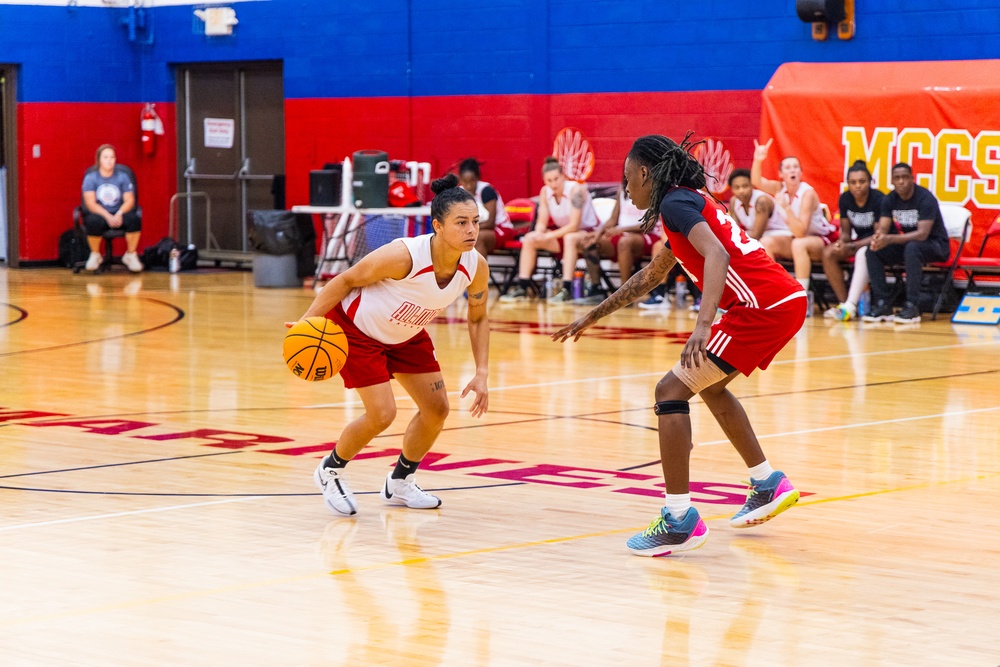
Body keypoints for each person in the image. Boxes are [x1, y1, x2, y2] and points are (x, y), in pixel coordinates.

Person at [553, 134, 804, 557]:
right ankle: (766, 482)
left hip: (761, 306)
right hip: (781, 300)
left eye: (628, 177)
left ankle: (679, 519)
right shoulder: (684, 204)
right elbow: (650, 276)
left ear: (646, 172)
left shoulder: (675, 203)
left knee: (669, 392)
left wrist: (703, 325)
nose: (626, 186)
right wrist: (593, 315)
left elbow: (719, 256)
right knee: (709, 386)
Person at [292, 173, 490, 516]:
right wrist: (307, 320)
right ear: (438, 226)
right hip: (358, 331)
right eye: (461, 222)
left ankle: (399, 482)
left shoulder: (475, 266)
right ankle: (330, 470)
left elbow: (477, 317)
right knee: (383, 414)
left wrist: (482, 370)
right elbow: (345, 279)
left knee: (437, 409)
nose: (471, 230)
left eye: (475, 221)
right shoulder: (404, 256)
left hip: (408, 333)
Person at [751, 139, 838, 307]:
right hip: (798, 239)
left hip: (823, 240)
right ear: (781, 174)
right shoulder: (780, 188)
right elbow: (757, 181)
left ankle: (801, 298)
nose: (793, 170)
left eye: (796, 167)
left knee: (798, 243)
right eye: (788, 167)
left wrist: (786, 208)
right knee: (766, 242)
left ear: (800, 172)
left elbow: (801, 232)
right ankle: (774, 290)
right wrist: (758, 159)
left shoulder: (807, 194)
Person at [499, 157, 599, 302]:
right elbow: (542, 221)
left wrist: (547, 236)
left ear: (563, 176)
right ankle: (522, 287)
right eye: (549, 180)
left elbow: (574, 225)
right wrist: (539, 233)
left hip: (587, 233)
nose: (553, 184)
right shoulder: (545, 192)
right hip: (562, 234)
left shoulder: (576, 190)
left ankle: (566, 288)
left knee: (570, 238)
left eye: (556, 179)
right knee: (530, 239)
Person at [862, 163, 949, 324]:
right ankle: (883, 303)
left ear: (912, 179)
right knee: (872, 251)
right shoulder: (889, 199)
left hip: (936, 245)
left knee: (913, 247)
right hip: (910, 246)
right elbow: (884, 227)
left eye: (905, 177)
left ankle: (912, 306)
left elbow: (922, 235)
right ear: (892, 181)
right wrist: (879, 238)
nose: (901, 181)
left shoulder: (925, 198)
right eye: (897, 178)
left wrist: (888, 239)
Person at [567, 186, 657, 304]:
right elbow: (613, 219)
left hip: (645, 235)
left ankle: (625, 292)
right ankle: (597, 289)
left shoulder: (651, 189)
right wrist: (597, 234)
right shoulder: (622, 191)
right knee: (589, 243)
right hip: (622, 235)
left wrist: (622, 229)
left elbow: (650, 224)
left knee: (624, 243)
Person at [821, 160, 886, 321]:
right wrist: (842, 243)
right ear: (848, 183)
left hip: (881, 243)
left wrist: (853, 245)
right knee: (829, 253)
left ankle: (852, 303)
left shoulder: (879, 199)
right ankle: (844, 305)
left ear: (870, 182)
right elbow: (846, 232)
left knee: (863, 252)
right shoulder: (845, 199)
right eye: (853, 182)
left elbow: (879, 234)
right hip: (857, 242)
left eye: (862, 182)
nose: (857, 186)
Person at [81, 144, 143, 272]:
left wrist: (119, 213)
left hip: (119, 213)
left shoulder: (123, 177)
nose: (109, 160)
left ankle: (131, 255)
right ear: (99, 159)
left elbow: (130, 200)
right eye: (105, 157)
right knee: (92, 221)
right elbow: (91, 203)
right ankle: (95, 254)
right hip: (101, 214)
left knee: (134, 220)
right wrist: (107, 216)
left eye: (112, 157)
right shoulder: (91, 178)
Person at [457, 158, 515, 258]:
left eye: (472, 181)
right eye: (465, 182)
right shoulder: (459, 192)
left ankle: (480, 273)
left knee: (477, 238)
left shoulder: (486, 191)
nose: (469, 186)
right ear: (460, 180)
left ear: (478, 178)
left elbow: (490, 223)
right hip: (475, 229)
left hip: (500, 229)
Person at [727, 168, 786, 241]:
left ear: (752, 186)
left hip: (780, 234)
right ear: (731, 189)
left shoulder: (762, 201)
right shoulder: (733, 201)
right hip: (757, 237)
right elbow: (734, 229)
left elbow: (757, 234)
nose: (741, 191)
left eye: (745, 186)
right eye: (736, 187)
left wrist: (733, 238)